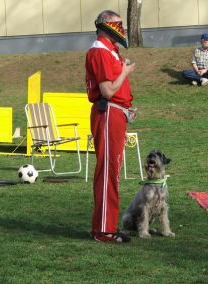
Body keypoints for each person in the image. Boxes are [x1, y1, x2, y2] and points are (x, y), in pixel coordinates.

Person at [85, 10, 135, 243]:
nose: (121, 29)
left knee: (112, 169)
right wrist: (125, 72)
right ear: (106, 26)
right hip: (108, 113)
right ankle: (104, 230)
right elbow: (107, 90)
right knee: (108, 171)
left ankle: (104, 226)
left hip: (115, 114)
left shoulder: (110, 51)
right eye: (117, 25)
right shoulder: (100, 51)